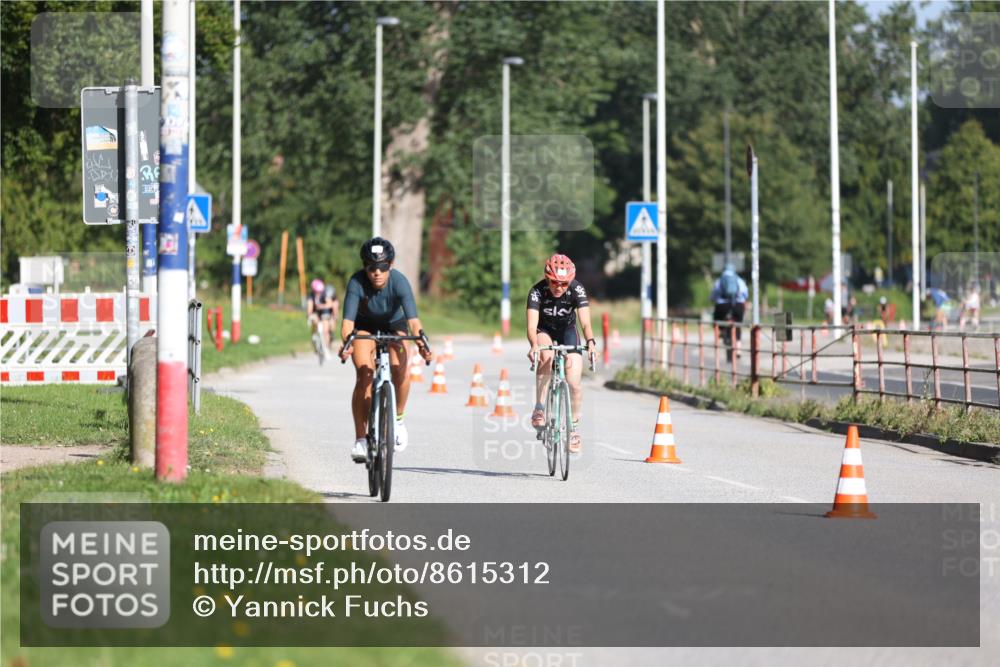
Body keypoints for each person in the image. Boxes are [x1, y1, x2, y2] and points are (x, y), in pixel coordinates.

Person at [338, 238, 432, 462]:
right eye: (371, 267)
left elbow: (414, 322)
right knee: (364, 374)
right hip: (364, 328)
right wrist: (346, 343)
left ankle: (397, 420)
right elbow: (347, 325)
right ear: (364, 267)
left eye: (382, 267)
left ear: (391, 265)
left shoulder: (399, 282)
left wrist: (422, 343)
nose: (377, 273)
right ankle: (361, 440)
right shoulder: (356, 283)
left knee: (400, 370)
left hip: (394, 325)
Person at [526, 254, 597, 454]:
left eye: (564, 283)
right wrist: (533, 345)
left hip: (567, 331)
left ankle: (573, 429)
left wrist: (591, 342)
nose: (559, 287)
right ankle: (540, 407)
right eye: (555, 282)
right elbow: (531, 326)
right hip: (544, 331)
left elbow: (585, 323)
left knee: (574, 383)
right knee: (546, 356)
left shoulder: (577, 289)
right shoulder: (537, 292)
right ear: (547, 279)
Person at [710, 263, 749, 354]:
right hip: (738, 305)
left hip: (722, 305)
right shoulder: (739, 280)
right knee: (738, 324)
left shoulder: (720, 280)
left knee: (717, 320)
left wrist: (713, 299)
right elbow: (745, 293)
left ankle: (720, 335)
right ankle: (739, 347)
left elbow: (714, 294)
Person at [307, 279, 337, 356]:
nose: (318, 293)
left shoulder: (325, 294)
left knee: (325, 330)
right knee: (314, 320)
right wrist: (310, 315)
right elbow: (310, 307)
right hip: (316, 313)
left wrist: (321, 306)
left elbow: (330, 304)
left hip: (325, 312)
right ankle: (314, 336)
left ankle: (326, 347)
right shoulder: (311, 296)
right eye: (316, 291)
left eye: (320, 291)